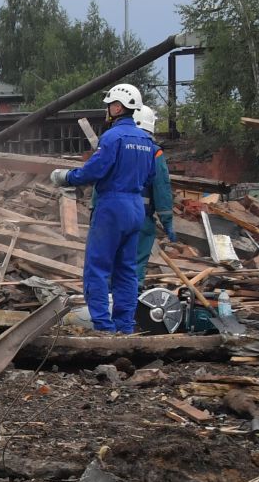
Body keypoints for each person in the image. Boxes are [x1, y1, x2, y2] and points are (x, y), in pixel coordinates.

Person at [51, 83, 158, 334]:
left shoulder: (112, 137)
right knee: (126, 270)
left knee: (97, 268)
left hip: (112, 205)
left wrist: (66, 176)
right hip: (135, 207)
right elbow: (151, 176)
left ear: (119, 107)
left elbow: (94, 170)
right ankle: (125, 326)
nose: (107, 111)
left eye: (110, 105)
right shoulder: (147, 140)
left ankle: (102, 326)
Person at [131, 105, 178, 288]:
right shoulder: (153, 151)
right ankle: (130, 308)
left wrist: (95, 209)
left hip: (111, 215)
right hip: (140, 217)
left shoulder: (113, 144)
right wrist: (167, 221)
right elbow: (161, 188)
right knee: (135, 265)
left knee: (111, 261)